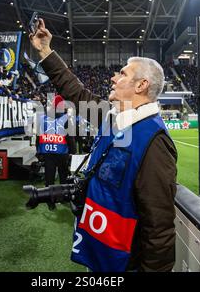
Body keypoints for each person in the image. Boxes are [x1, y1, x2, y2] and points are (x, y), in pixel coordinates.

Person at [30, 19, 177, 272]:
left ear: (142, 85)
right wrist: (45, 51)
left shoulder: (154, 142)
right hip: (101, 255)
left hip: (125, 264)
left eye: (122, 73)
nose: (113, 77)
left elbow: (159, 226)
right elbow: (75, 92)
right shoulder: (113, 117)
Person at [36, 94, 75, 190]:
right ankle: (64, 195)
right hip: (62, 152)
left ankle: (49, 198)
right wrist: (72, 152)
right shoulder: (66, 119)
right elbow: (70, 138)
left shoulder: (43, 119)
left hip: (47, 152)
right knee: (63, 177)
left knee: (49, 177)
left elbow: (38, 136)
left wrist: (38, 151)